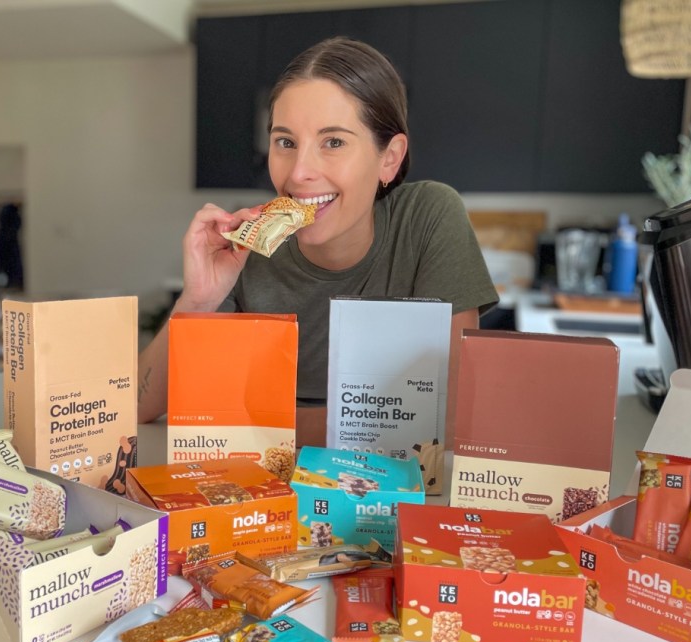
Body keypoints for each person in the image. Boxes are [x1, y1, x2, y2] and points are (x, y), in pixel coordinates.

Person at [138, 37, 498, 446]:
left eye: (334, 142)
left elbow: (447, 417)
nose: (299, 173)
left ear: (390, 158)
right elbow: (139, 407)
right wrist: (199, 301)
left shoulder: (428, 216)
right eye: (285, 142)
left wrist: (257, 422)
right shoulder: (247, 245)